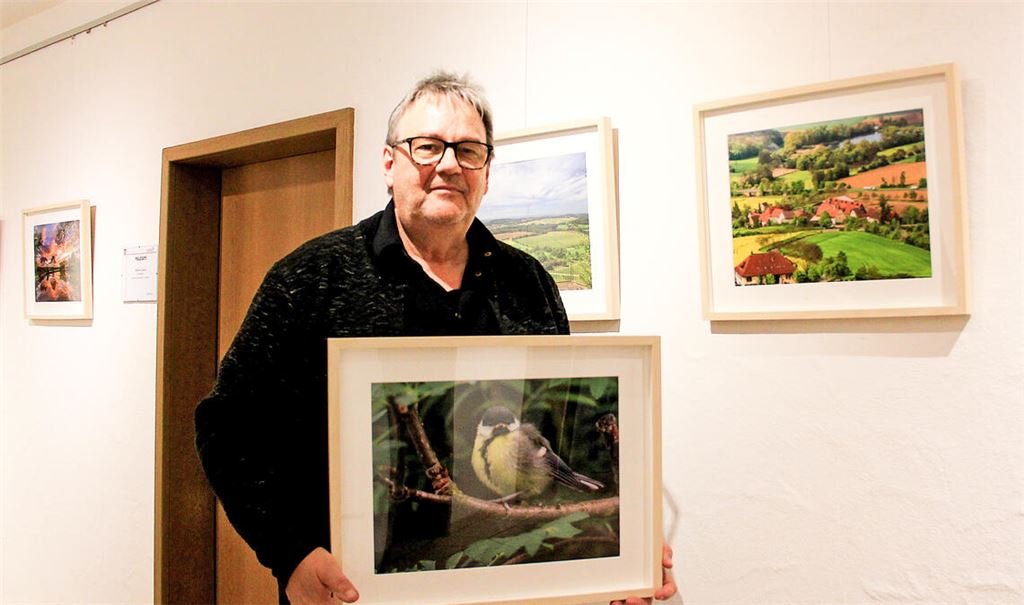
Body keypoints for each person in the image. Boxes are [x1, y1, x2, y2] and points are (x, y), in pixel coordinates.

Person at [195, 71, 675, 605]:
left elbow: (566, 426)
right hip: (355, 593)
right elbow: (227, 429)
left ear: (486, 173)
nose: (449, 164)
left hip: (515, 580)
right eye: (427, 146)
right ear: (389, 163)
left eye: (469, 150)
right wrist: (291, 554)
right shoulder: (311, 278)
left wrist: (617, 547)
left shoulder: (530, 283)